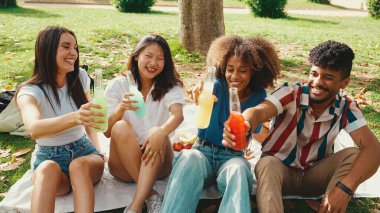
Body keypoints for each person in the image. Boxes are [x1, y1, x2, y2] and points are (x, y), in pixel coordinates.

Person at [223, 40, 380, 212]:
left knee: (353, 153)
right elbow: (260, 111)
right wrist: (246, 122)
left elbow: (373, 148)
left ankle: (330, 205)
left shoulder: (346, 107)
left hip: (315, 177)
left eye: (328, 77)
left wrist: (345, 188)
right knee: (267, 163)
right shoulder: (291, 93)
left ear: (344, 82)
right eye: (314, 74)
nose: (317, 82)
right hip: (280, 172)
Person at [160, 35, 280, 213]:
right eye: (230, 69)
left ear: (255, 71)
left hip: (232, 158)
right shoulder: (215, 86)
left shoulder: (260, 97)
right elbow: (201, 88)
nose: (234, 76)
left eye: (243, 70)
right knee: (188, 157)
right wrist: (198, 90)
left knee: (239, 170)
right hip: (202, 153)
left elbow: (258, 131)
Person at [16, 26, 105, 213]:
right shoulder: (30, 91)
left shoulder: (80, 77)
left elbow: (90, 119)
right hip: (49, 156)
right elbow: (34, 129)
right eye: (66, 46)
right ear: (47, 50)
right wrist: (75, 117)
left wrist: (98, 149)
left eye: (75, 47)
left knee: (78, 166)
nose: (73, 52)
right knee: (46, 168)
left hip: (83, 152)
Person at [104, 34, 184, 213]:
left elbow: (178, 116)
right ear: (136, 56)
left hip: (159, 160)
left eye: (160, 58)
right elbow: (107, 132)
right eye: (148, 56)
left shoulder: (170, 86)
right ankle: (150, 194)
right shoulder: (119, 85)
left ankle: (135, 206)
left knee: (157, 131)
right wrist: (121, 108)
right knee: (119, 126)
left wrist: (161, 132)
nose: (153, 63)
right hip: (122, 165)